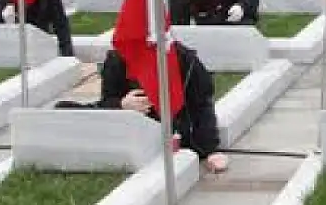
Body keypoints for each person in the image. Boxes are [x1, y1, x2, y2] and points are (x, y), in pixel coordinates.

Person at [96, 41, 229, 173]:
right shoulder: (117, 60)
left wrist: (209, 150)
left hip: (177, 135)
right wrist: (122, 104)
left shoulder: (185, 59)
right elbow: (105, 104)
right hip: (137, 139)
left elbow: (202, 105)